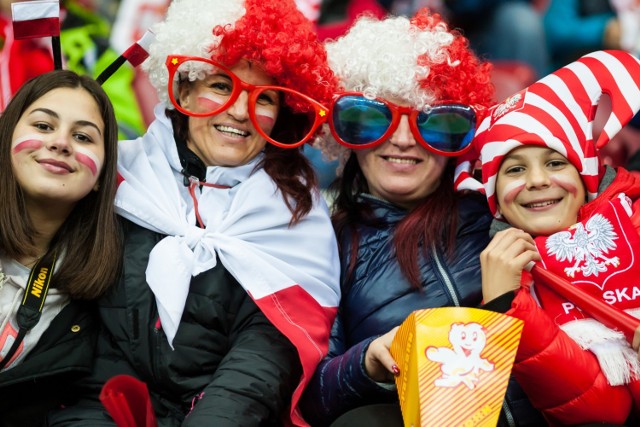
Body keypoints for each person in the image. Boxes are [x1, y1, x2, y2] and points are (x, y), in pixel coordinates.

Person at [47, 0, 341, 426]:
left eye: (265, 98)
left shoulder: (297, 217)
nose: (240, 112)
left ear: (281, 116)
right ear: (182, 88)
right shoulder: (112, 176)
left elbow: (261, 364)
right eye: (221, 85)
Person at [301, 8, 545, 427]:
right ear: (347, 136)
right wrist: (368, 362)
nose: (401, 140)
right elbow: (312, 395)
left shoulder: (500, 205)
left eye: (432, 124)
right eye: (373, 119)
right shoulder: (325, 242)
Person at [455, 49, 640, 425]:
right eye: (515, 169)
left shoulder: (633, 216)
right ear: (496, 198)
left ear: (584, 174)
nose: (538, 181)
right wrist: (507, 305)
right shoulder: (506, 270)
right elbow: (599, 411)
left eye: (555, 163)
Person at [0, 69, 120, 427]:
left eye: (83, 136)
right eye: (43, 126)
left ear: (101, 178)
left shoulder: (112, 292)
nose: (61, 143)